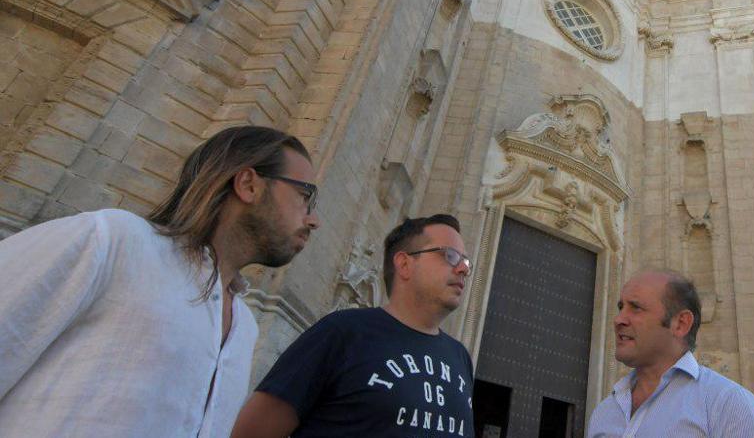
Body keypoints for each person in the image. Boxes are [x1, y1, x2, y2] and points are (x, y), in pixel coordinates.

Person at [0, 125, 320, 437]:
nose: (313, 219)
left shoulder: (245, 328)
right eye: (305, 196)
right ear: (249, 184)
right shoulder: (115, 241)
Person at [231, 214, 474, 437]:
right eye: (450, 255)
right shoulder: (343, 333)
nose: (463, 268)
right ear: (404, 264)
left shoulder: (460, 357)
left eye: (466, 262)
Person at [586, 270, 754, 438]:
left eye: (636, 308)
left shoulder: (728, 404)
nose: (618, 319)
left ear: (680, 324)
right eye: (621, 307)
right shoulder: (605, 411)